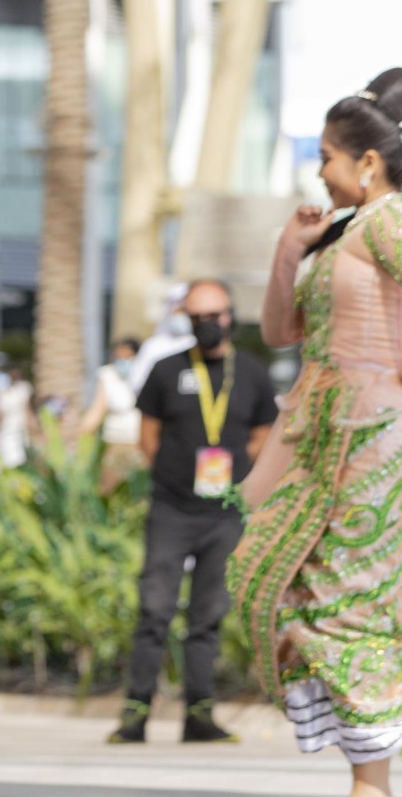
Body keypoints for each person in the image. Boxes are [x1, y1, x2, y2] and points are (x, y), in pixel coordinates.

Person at [227, 68, 402, 797]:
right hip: (330, 430)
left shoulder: (388, 222)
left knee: (346, 595)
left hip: (377, 433)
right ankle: (370, 778)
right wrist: (289, 248)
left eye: (329, 156)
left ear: (367, 163)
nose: (320, 171)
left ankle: (372, 788)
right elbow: (281, 330)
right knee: (284, 574)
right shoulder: (344, 232)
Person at [109, 282, 276, 744]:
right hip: (172, 510)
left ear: (230, 315)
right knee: (154, 609)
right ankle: (135, 712)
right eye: (197, 316)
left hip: (224, 516)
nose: (208, 324)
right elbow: (148, 435)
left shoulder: (254, 375)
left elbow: (263, 438)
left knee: (207, 614)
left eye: (215, 315)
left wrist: (238, 485)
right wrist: (172, 475)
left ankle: (199, 715)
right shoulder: (166, 371)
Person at [79, 337, 145, 492]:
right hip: (114, 440)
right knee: (110, 487)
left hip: (139, 441)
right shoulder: (107, 375)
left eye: (128, 357)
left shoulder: (146, 373)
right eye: (119, 357)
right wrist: (82, 434)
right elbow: (98, 408)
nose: (123, 361)